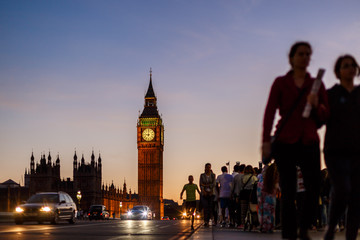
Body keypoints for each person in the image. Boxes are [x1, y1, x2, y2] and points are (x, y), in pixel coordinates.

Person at [262, 41, 329, 240]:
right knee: (289, 191)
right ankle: (290, 234)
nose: (305, 57)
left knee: (313, 187)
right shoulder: (280, 83)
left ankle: (304, 226)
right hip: (286, 141)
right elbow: (269, 113)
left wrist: (317, 106)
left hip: (309, 140)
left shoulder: (315, 85)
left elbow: (325, 117)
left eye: (308, 54)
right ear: (291, 58)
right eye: (300, 53)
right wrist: (266, 141)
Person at [323, 54, 360, 240]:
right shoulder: (331, 94)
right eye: (346, 65)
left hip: (357, 152)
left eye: (353, 65)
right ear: (338, 71)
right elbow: (319, 120)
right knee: (343, 189)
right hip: (335, 151)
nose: (351, 68)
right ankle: (331, 227)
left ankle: (351, 236)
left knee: (356, 197)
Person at [257, 163, 279, 233]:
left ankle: (263, 226)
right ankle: (270, 226)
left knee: (262, 210)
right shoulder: (273, 179)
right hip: (271, 198)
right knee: (271, 211)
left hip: (262, 198)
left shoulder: (261, 180)